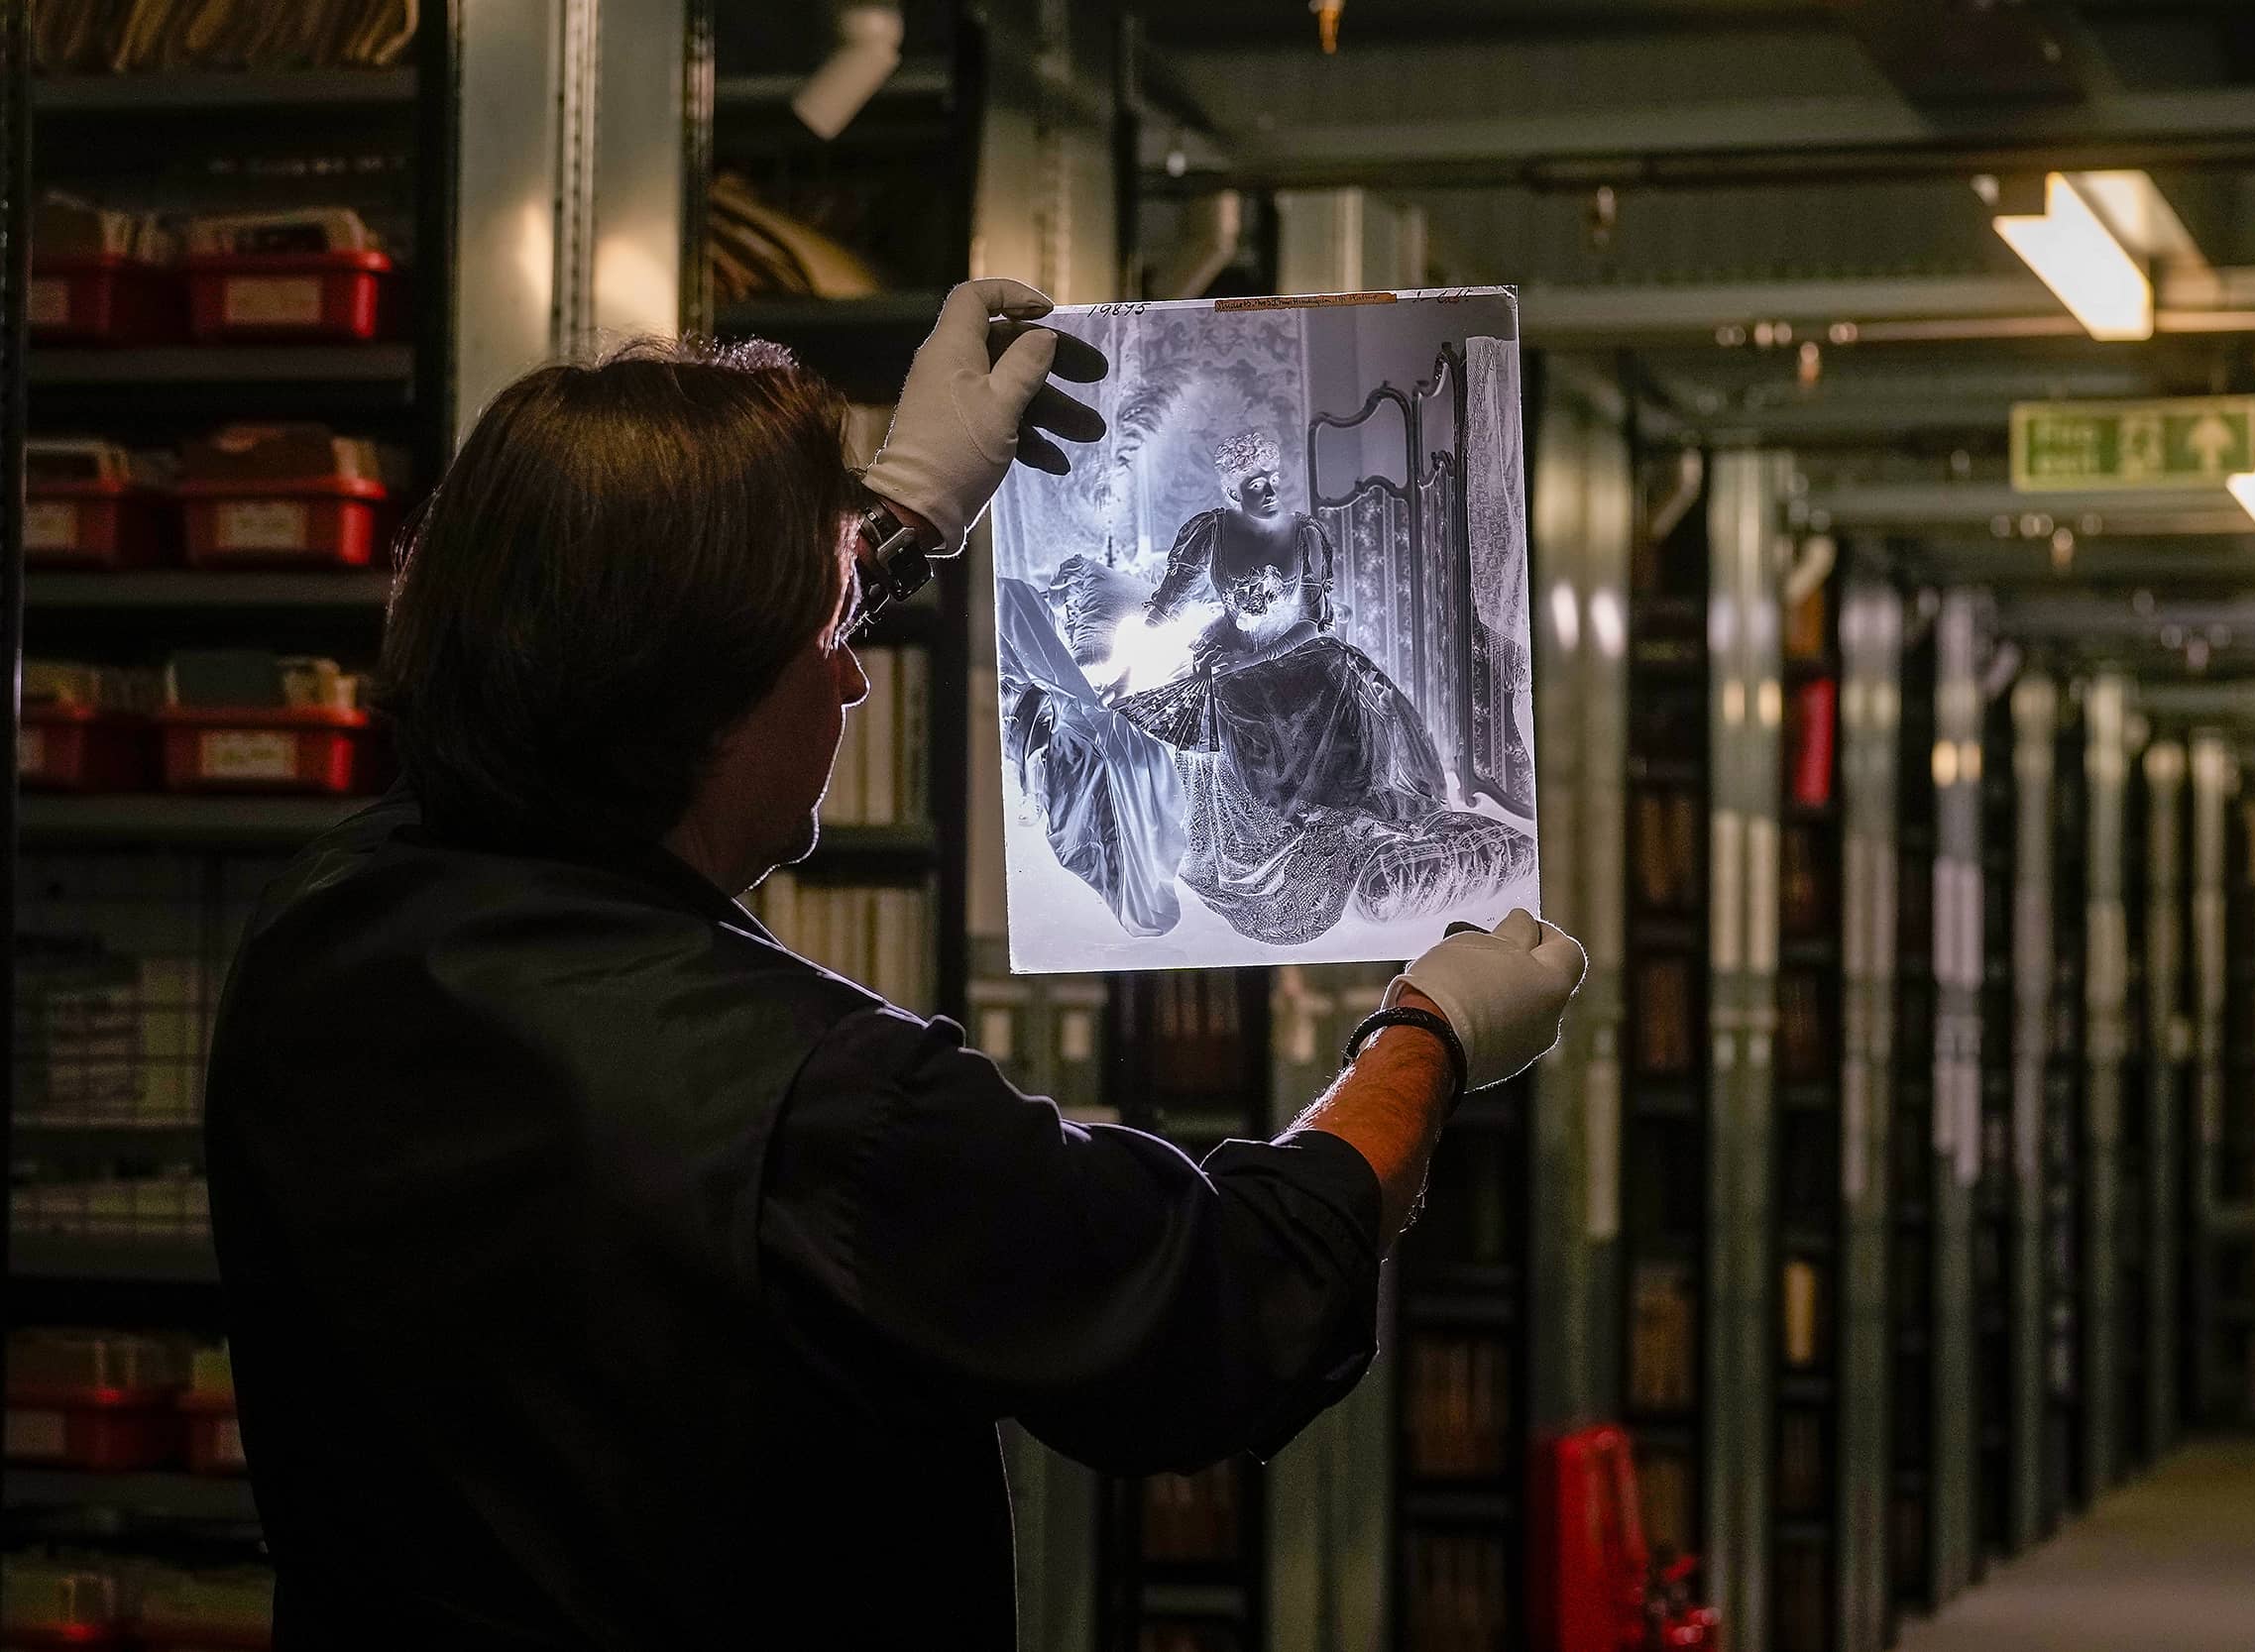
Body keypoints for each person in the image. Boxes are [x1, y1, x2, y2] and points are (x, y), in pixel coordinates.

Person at [201, 277, 1588, 1649]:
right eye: (827, 630)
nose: (857, 676)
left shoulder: (324, 927)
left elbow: (609, 634)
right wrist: (1429, 1029)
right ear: (698, 699)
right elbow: (1223, 1299)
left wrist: (896, 518)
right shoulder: (832, 1111)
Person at [1106, 427, 1538, 945]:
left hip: (1296, 653)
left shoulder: (1304, 534)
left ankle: (1350, 813)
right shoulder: (1209, 532)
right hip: (1230, 665)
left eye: (1271, 479)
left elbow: (1311, 623)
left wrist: (1252, 653)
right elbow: (1164, 607)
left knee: (1333, 666)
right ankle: (1272, 828)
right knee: (1203, 709)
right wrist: (1124, 673)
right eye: (1254, 484)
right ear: (1231, 493)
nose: (1268, 490)